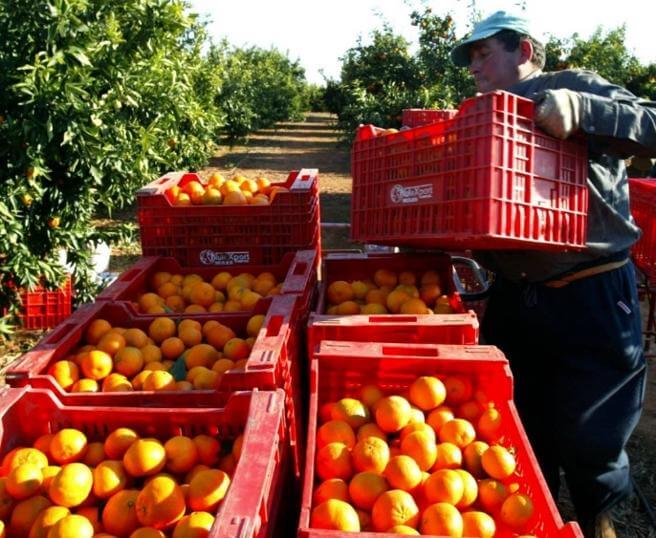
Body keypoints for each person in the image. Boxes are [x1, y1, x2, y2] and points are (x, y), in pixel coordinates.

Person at [450, 11, 656, 538]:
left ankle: (601, 520)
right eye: (470, 58)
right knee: (522, 427)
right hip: (520, 298)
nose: (474, 66)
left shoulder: (572, 86)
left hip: (592, 290)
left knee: (591, 436)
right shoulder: (479, 116)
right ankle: (537, 522)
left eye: (483, 53)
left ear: (522, 50)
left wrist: (582, 111)